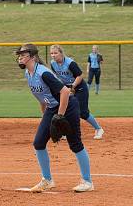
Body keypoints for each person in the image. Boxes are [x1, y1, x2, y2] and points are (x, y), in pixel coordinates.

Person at [16, 43, 94, 193]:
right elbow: (42, 98)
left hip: (68, 107)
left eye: (23, 54)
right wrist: (45, 117)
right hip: (52, 108)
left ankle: (87, 181)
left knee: (75, 143)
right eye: (19, 55)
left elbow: (65, 92)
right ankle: (47, 180)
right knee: (38, 142)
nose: (20, 57)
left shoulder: (43, 73)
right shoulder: (28, 73)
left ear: (32, 56)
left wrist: (60, 116)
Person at [50, 44, 104, 140]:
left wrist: (72, 87)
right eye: (51, 53)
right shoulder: (53, 64)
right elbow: (58, 77)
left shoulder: (70, 63)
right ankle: (65, 132)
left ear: (61, 53)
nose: (53, 55)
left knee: (83, 112)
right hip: (67, 88)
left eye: (55, 53)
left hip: (79, 87)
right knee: (65, 109)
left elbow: (79, 76)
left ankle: (99, 129)